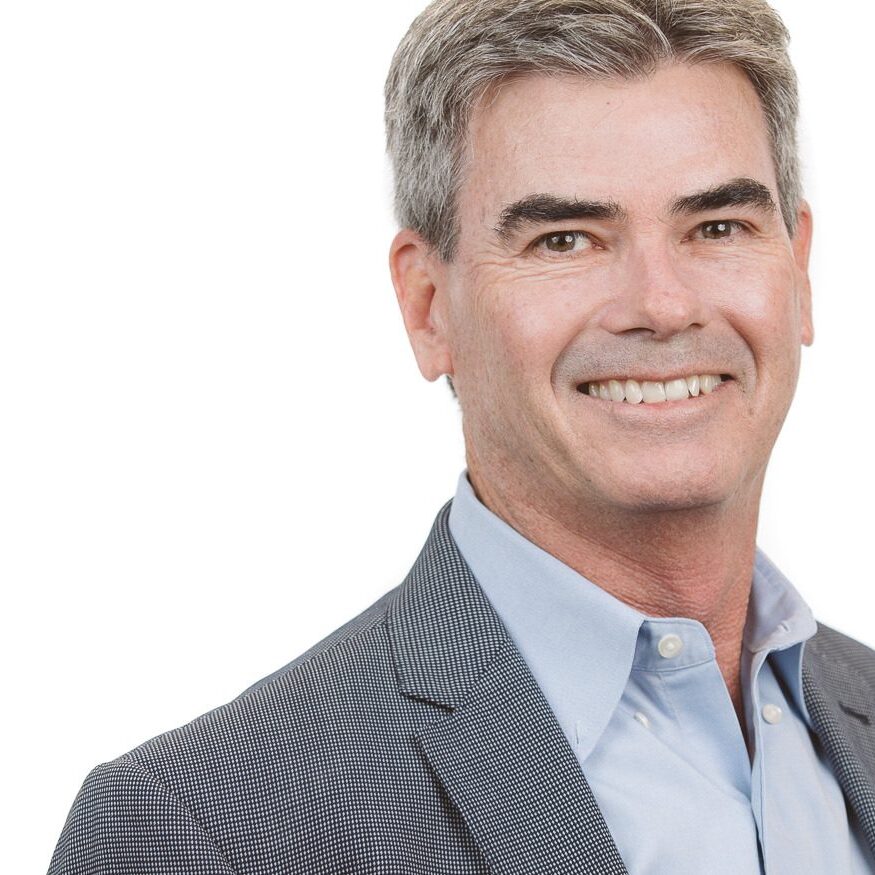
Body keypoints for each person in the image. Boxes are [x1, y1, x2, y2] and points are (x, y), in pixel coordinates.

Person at [48, 0, 875, 872]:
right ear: (427, 305)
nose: (662, 305)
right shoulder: (200, 832)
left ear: (798, 268)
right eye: (565, 239)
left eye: (717, 227)